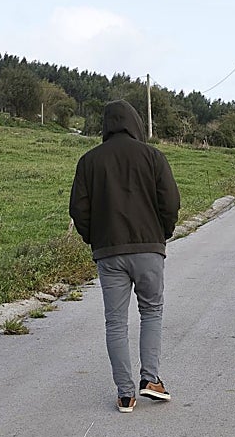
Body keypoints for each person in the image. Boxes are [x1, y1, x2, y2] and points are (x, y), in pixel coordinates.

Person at [69, 99, 181, 413]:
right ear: (135, 123)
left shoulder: (89, 161)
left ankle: (124, 394)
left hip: (109, 252)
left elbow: (79, 209)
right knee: (151, 312)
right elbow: (170, 203)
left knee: (115, 322)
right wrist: (163, 234)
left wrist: (95, 239)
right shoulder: (153, 157)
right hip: (149, 249)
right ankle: (151, 380)